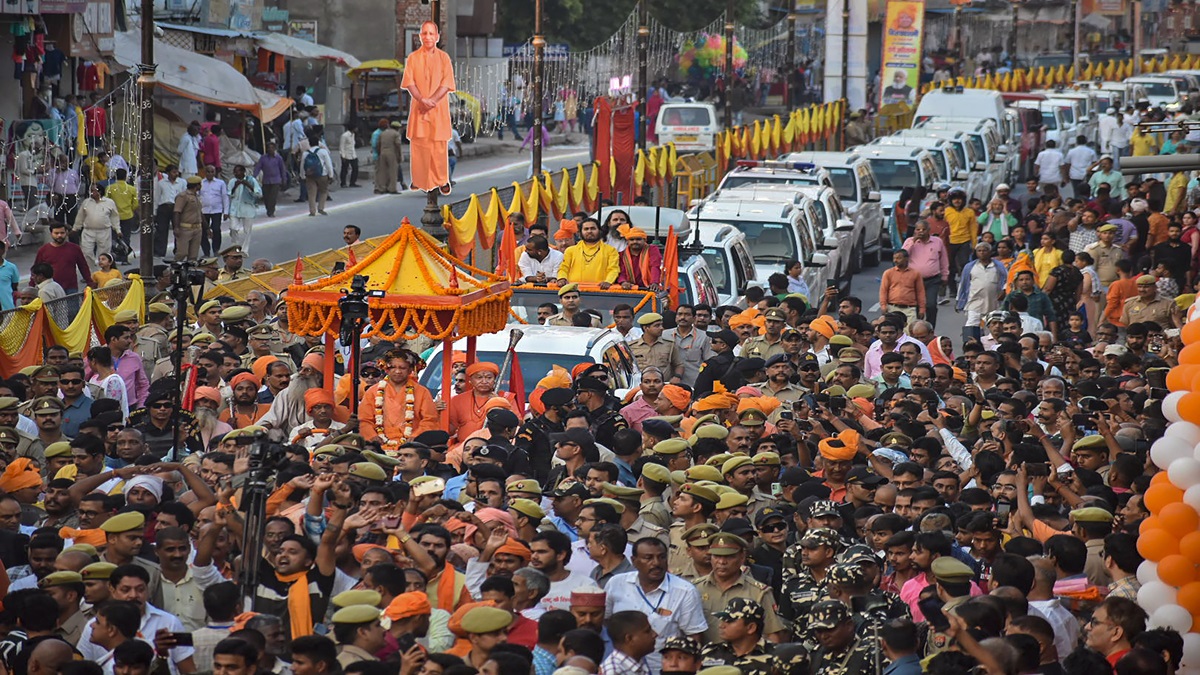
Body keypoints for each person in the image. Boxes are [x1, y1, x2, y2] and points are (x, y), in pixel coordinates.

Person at [402, 21, 456, 195]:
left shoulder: (444, 58)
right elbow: (409, 82)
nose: (428, 37)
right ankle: (418, 179)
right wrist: (421, 99)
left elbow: (447, 83)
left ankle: (441, 180)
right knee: (419, 145)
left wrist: (431, 101)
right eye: (424, 33)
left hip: (438, 108)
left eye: (431, 34)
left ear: (437, 37)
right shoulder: (413, 58)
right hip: (419, 107)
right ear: (420, 36)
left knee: (439, 146)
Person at [557, 218, 619, 286]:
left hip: (600, 291)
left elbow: (613, 269)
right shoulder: (570, 250)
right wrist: (562, 278)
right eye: (586, 229)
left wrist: (608, 282)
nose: (589, 231)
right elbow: (563, 268)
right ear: (580, 233)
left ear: (600, 231)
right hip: (574, 291)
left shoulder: (611, 250)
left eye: (593, 228)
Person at [72, 184, 120, 262]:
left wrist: (118, 230)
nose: (91, 193)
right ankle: (91, 271)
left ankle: (101, 271)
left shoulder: (109, 202)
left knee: (104, 254)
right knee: (86, 252)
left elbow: (114, 217)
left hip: (104, 231)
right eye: (90, 191)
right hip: (88, 231)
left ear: (99, 191)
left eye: (93, 191)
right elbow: (80, 216)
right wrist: (75, 228)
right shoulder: (86, 202)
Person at [879, 249, 925, 326]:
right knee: (893, 332)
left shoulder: (915, 274)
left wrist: (922, 309)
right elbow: (883, 290)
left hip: (910, 309)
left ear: (906, 259)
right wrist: (883, 306)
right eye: (894, 258)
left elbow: (920, 292)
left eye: (898, 258)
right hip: (892, 307)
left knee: (909, 333)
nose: (895, 260)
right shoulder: (888, 273)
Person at [226, 166, 261, 254]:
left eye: (237, 172)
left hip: (247, 209)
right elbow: (229, 194)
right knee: (233, 228)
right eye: (234, 172)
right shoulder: (232, 181)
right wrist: (235, 186)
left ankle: (244, 250)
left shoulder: (251, 180)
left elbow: (259, 194)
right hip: (235, 209)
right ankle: (235, 246)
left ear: (243, 172)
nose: (235, 174)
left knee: (247, 231)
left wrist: (248, 185)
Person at [153, 165, 185, 257]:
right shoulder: (161, 183)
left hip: (177, 208)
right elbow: (157, 197)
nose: (176, 174)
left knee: (178, 229)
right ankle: (160, 251)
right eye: (173, 172)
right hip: (164, 207)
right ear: (168, 173)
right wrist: (155, 212)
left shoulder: (182, 182)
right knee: (162, 230)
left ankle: (178, 250)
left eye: (177, 172)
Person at [198, 164, 229, 257]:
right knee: (203, 231)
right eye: (208, 172)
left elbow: (225, 197)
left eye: (212, 172)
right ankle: (206, 252)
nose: (210, 174)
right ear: (205, 172)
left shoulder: (220, 183)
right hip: (204, 211)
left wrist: (226, 211)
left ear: (215, 172)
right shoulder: (201, 183)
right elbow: (197, 195)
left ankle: (216, 249)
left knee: (216, 229)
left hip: (217, 210)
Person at [172, 176, 204, 261]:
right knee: (182, 253)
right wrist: (176, 227)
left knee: (193, 256)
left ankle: (189, 272)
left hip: (197, 228)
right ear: (196, 185)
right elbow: (177, 212)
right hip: (185, 229)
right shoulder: (183, 196)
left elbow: (200, 213)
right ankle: (173, 271)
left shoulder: (196, 196)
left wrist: (207, 228)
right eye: (200, 184)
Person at [252, 142, 287, 218]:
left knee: (273, 197)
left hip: (276, 180)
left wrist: (284, 179)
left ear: (274, 149)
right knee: (266, 197)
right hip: (266, 180)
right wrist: (254, 176)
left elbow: (282, 169)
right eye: (268, 148)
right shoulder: (263, 158)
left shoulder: (278, 158)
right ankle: (268, 208)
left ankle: (271, 211)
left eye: (272, 148)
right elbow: (258, 167)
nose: (270, 149)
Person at [303, 135, 334, 216]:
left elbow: (302, 166)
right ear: (318, 143)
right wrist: (331, 175)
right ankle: (321, 208)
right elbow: (328, 164)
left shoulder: (305, 153)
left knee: (311, 193)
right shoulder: (323, 152)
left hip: (310, 176)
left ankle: (312, 211)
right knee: (323, 191)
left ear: (309, 143)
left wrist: (302, 175)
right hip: (322, 175)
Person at [375, 122, 404, 194]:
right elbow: (397, 145)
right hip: (392, 153)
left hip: (382, 153)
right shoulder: (396, 134)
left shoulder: (383, 133)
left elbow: (378, 144)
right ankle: (392, 188)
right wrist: (399, 155)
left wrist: (379, 153)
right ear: (397, 128)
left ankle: (381, 188)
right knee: (393, 171)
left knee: (382, 172)